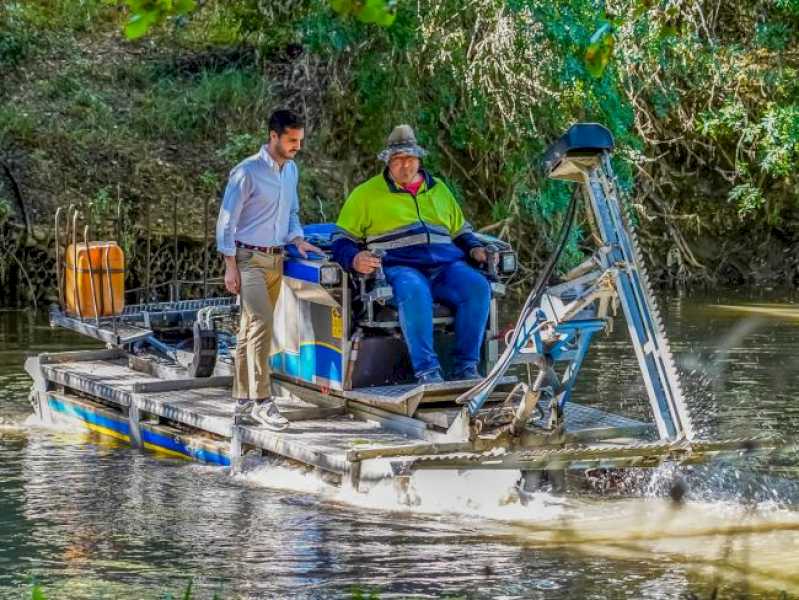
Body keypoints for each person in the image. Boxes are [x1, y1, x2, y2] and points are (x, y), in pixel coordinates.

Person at [331, 124, 493, 384]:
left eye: (409, 159)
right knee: (414, 289)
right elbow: (340, 239)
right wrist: (354, 258)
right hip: (399, 267)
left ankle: (466, 368)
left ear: (418, 159)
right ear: (388, 162)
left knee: (478, 287)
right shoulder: (365, 194)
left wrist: (475, 248)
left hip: (446, 267)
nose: (404, 166)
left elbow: (460, 231)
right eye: (398, 160)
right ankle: (427, 372)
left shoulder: (439, 188)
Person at [216, 109, 322, 429]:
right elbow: (226, 222)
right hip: (248, 257)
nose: (297, 146)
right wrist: (230, 266)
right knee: (261, 323)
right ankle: (263, 401)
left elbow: (291, 211)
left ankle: (243, 399)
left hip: (277, 257)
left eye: (300, 141)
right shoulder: (246, 172)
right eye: (291, 140)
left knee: (250, 327)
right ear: (273, 136)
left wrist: (298, 238)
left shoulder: (291, 171)